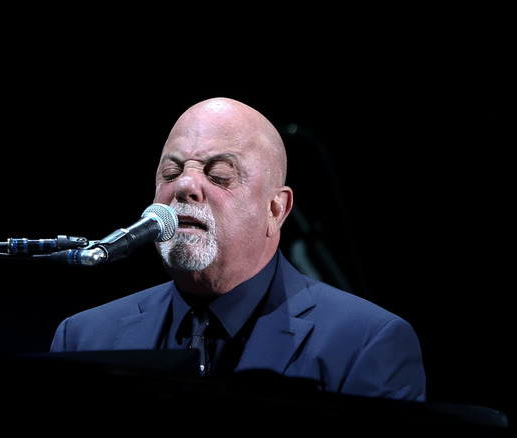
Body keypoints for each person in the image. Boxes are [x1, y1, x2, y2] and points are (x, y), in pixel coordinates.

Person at [49, 97, 426, 402]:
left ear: (275, 209)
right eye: (171, 173)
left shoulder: (367, 342)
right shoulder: (83, 337)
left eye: (218, 175)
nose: (185, 187)